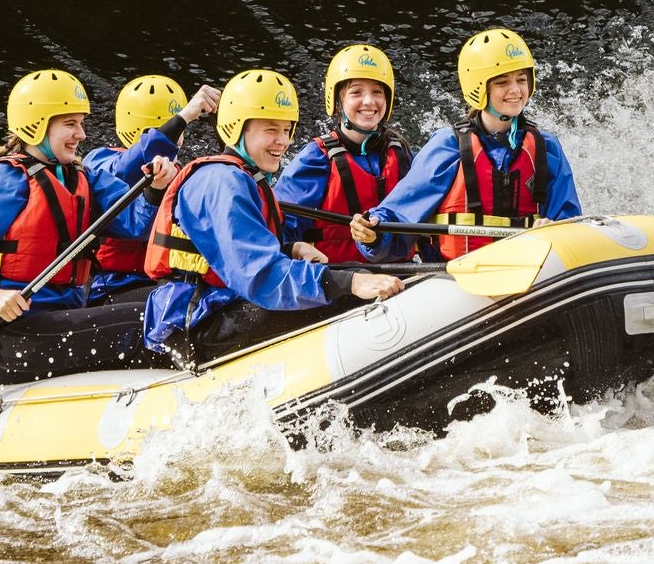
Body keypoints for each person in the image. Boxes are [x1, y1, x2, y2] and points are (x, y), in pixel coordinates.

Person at [0, 69, 173, 384]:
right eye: (70, 124)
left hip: (61, 316)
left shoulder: (82, 177)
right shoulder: (4, 181)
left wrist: (155, 189)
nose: (81, 134)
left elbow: (137, 224)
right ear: (36, 127)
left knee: (170, 302)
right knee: (155, 317)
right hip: (8, 336)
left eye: (80, 123)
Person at [142, 69, 405, 363]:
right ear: (236, 128)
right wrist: (349, 283)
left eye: (285, 129)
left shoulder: (246, 177)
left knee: (356, 275)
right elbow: (260, 274)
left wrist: (289, 248)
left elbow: (237, 252)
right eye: (270, 129)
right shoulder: (222, 182)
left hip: (217, 305)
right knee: (348, 291)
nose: (282, 141)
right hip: (196, 322)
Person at [349, 28, 581, 261]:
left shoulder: (546, 147)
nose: (515, 90)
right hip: (457, 277)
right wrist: (374, 234)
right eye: (502, 82)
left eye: (521, 80)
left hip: (530, 273)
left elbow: (569, 220)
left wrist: (555, 231)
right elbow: (400, 214)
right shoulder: (449, 145)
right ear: (479, 87)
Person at [86, 75, 221, 302]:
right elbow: (125, 170)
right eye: (174, 127)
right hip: (111, 285)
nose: (178, 137)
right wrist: (184, 117)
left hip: (161, 282)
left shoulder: (181, 173)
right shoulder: (99, 161)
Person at [276, 44, 411, 263]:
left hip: (402, 274)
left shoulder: (401, 152)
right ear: (338, 101)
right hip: (339, 280)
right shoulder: (315, 159)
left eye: (377, 92)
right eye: (356, 92)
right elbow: (282, 230)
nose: (369, 101)